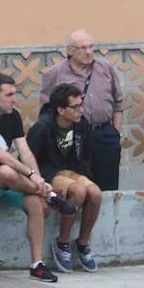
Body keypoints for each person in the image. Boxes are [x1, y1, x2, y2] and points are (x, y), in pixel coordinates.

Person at [0, 72, 75, 283]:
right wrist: (32, 176)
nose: (15, 99)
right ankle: (50, 195)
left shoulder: (13, 116)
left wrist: (39, 179)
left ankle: (37, 265)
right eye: (9, 94)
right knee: (5, 170)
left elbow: (26, 152)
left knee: (34, 202)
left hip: (9, 183)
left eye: (15, 93)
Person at [26, 83, 102, 272]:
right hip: (50, 174)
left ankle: (83, 243)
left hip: (72, 171)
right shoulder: (42, 128)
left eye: (81, 105)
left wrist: (84, 174)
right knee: (79, 191)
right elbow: (28, 159)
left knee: (95, 192)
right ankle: (62, 242)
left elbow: (86, 156)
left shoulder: (82, 125)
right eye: (75, 107)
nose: (80, 110)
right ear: (60, 110)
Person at [39, 30, 124, 191]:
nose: (89, 52)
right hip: (74, 136)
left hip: (105, 134)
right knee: (80, 187)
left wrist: (116, 133)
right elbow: (47, 110)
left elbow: (118, 103)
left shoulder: (105, 68)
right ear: (70, 51)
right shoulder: (55, 73)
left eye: (91, 47)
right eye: (83, 48)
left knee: (109, 186)